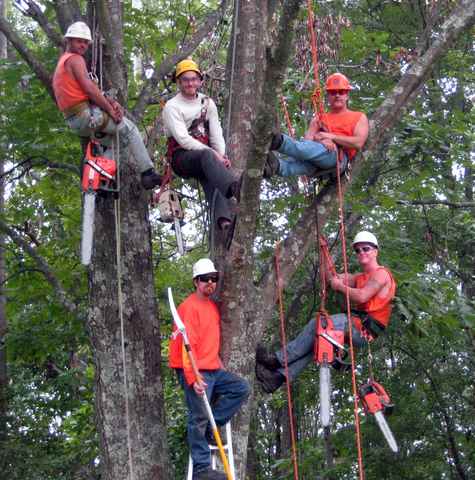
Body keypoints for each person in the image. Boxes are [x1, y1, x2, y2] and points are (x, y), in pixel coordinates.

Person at [255, 231, 396, 393]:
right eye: (358, 250)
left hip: (363, 328)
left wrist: (340, 286)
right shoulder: (359, 277)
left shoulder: (381, 274)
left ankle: (277, 360)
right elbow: (330, 278)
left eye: (366, 249)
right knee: (319, 340)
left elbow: (363, 296)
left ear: (375, 251)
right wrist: (323, 251)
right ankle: (277, 379)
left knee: (319, 324)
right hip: (357, 325)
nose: (362, 252)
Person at [52, 21, 162, 189]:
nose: (83, 45)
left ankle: (100, 179)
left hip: (75, 121)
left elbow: (86, 90)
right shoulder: (75, 59)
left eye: (85, 42)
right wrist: (110, 109)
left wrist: (110, 102)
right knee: (130, 130)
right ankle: (147, 173)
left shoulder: (62, 64)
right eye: (78, 41)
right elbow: (89, 89)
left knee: (119, 143)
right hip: (85, 115)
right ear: (69, 41)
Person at [169, 258, 250, 480]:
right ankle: (201, 469)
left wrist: (220, 367)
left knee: (241, 388)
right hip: (194, 370)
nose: (210, 283)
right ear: (196, 281)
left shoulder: (212, 307)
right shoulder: (188, 307)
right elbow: (187, 347)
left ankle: (208, 430)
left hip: (213, 368)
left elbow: (209, 343)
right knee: (198, 416)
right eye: (205, 279)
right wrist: (193, 377)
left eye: (214, 279)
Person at [162, 59, 240, 232]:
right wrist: (214, 155)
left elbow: (216, 132)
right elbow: (183, 139)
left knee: (216, 175)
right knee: (210, 159)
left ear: (199, 80)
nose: (190, 83)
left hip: (205, 156)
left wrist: (221, 154)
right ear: (178, 82)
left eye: (193, 79)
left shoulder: (207, 103)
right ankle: (235, 189)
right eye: (185, 80)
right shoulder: (172, 106)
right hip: (181, 157)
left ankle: (224, 223)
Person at [264, 73, 369, 178]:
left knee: (302, 151)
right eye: (333, 92)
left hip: (337, 158)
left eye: (341, 92)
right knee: (300, 165)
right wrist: (320, 140)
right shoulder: (319, 119)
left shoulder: (358, 117)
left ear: (347, 95)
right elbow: (307, 143)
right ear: (328, 96)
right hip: (319, 160)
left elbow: (358, 142)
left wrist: (331, 137)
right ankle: (274, 167)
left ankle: (278, 141)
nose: (337, 95)